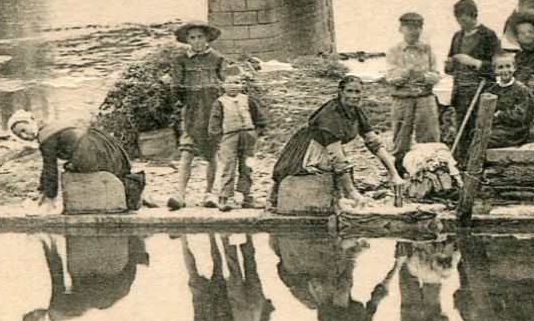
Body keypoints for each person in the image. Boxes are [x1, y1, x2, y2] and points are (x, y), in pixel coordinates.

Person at [272, 75, 403, 207]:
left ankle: (344, 198)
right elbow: (337, 158)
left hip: (327, 151)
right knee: (337, 172)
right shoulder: (331, 114)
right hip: (307, 152)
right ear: (340, 92)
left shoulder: (356, 111)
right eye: (349, 91)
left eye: (357, 92)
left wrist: (394, 174)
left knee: (343, 172)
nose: (354, 96)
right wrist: (353, 192)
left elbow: (374, 143)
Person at [7, 110, 147, 211]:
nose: (25, 136)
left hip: (90, 152)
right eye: (20, 135)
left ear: (31, 122)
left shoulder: (46, 136)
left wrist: (50, 197)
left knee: (70, 170)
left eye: (24, 130)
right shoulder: (50, 127)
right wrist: (41, 189)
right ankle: (134, 192)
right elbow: (47, 167)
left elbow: (50, 167)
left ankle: (132, 193)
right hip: (100, 146)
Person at [165, 21, 225, 210]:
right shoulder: (181, 60)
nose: (197, 41)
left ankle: (210, 193)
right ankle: (180, 194)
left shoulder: (217, 58)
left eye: (200, 37)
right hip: (191, 111)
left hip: (212, 111)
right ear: (187, 40)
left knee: (212, 152)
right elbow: (176, 86)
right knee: (187, 151)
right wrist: (178, 99)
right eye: (192, 38)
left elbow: (225, 83)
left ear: (207, 38)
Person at [384, 11, 442, 169]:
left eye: (417, 27)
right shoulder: (394, 51)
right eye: (409, 27)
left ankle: (429, 172)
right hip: (402, 99)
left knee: (429, 137)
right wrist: (406, 72)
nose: (413, 31)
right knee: (400, 138)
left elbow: (436, 74)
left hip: (425, 98)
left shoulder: (427, 49)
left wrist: (424, 77)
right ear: (401, 29)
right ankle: (399, 173)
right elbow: (390, 78)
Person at [444, 0, 499, 151]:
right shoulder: (457, 36)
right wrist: (449, 65)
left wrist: (474, 62)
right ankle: (461, 165)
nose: (460, 22)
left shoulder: (489, 35)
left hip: (480, 90)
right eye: (458, 18)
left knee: (479, 128)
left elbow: (497, 67)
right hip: (460, 91)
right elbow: (450, 66)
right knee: (461, 130)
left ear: (474, 15)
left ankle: (477, 162)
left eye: (464, 17)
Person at [207, 70, 267, 211]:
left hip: (248, 136)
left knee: (247, 166)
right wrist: (219, 139)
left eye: (237, 82)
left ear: (242, 85)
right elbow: (214, 123)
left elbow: (259, 118)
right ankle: (224, 197)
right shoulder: (220, 102)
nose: (233, 86)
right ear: (223, 85)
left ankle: (247, 197)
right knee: (229, 166)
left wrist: (256, 133)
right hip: (229, 138)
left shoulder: (247, 100)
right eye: (229, 83)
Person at [485, 51, 534, 148]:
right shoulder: (492, 90)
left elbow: (521, 116)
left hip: (515, 131)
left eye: (508, 66)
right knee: (474, 135)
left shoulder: (521, 90)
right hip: (495, 128)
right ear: (494, 70)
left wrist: (500, 115)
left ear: (514, 68)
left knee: (486, 139)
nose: (505, 70)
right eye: (500, 67)